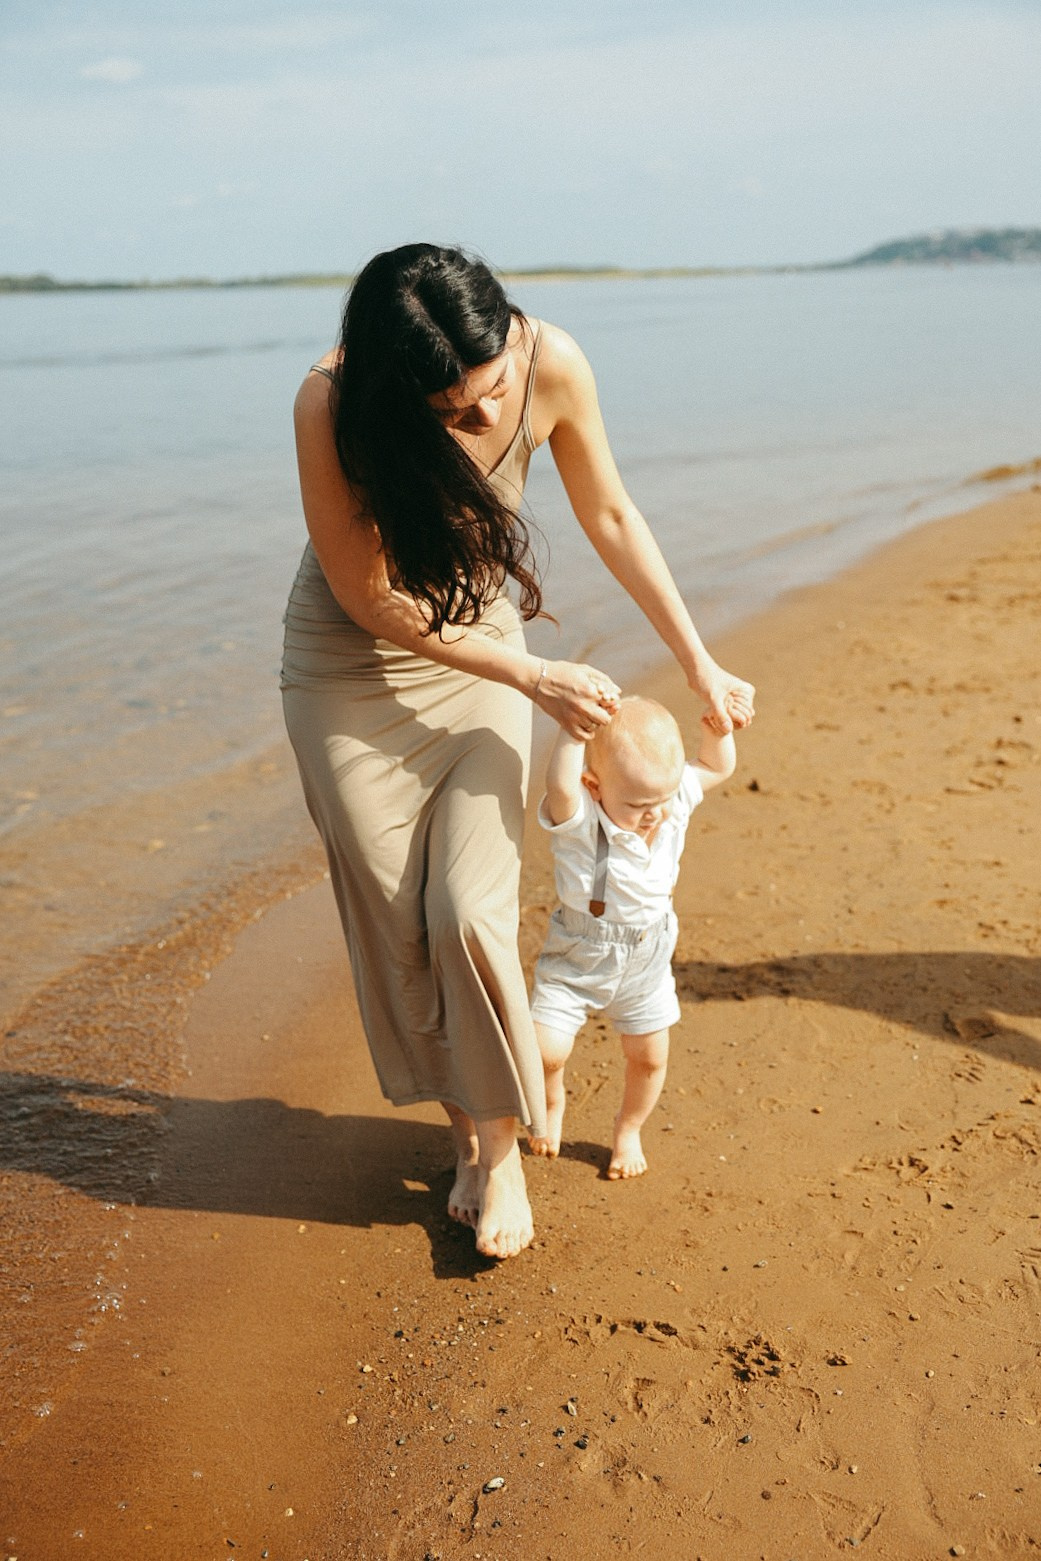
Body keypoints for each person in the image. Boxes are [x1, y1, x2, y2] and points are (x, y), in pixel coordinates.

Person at [281, 243, 754, 1260]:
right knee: (397, 918)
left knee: (467, 906)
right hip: (352, 665)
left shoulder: (554, 362)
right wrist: (533, 675)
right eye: (451, 414)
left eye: (493, 393)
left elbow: (612, 512)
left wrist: (699, 661)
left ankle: (501, 1159)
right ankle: (468, 1131)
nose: (486, 423)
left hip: (485, 645)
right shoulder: (327, 406)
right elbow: (369, 598)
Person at [529, 697, 736, 1178]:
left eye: (660, 801)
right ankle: (552, 1098)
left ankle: (629, 1129)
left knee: (649, 1057)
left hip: (647, 953)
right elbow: (558, 781)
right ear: (593, 786)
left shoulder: (668, 797)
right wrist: (574, 732)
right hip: (580, 951)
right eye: (638, 805)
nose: (654, 815)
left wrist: (718, 729)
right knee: (544, 1050)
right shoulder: (579, 818)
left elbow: (715, 765)